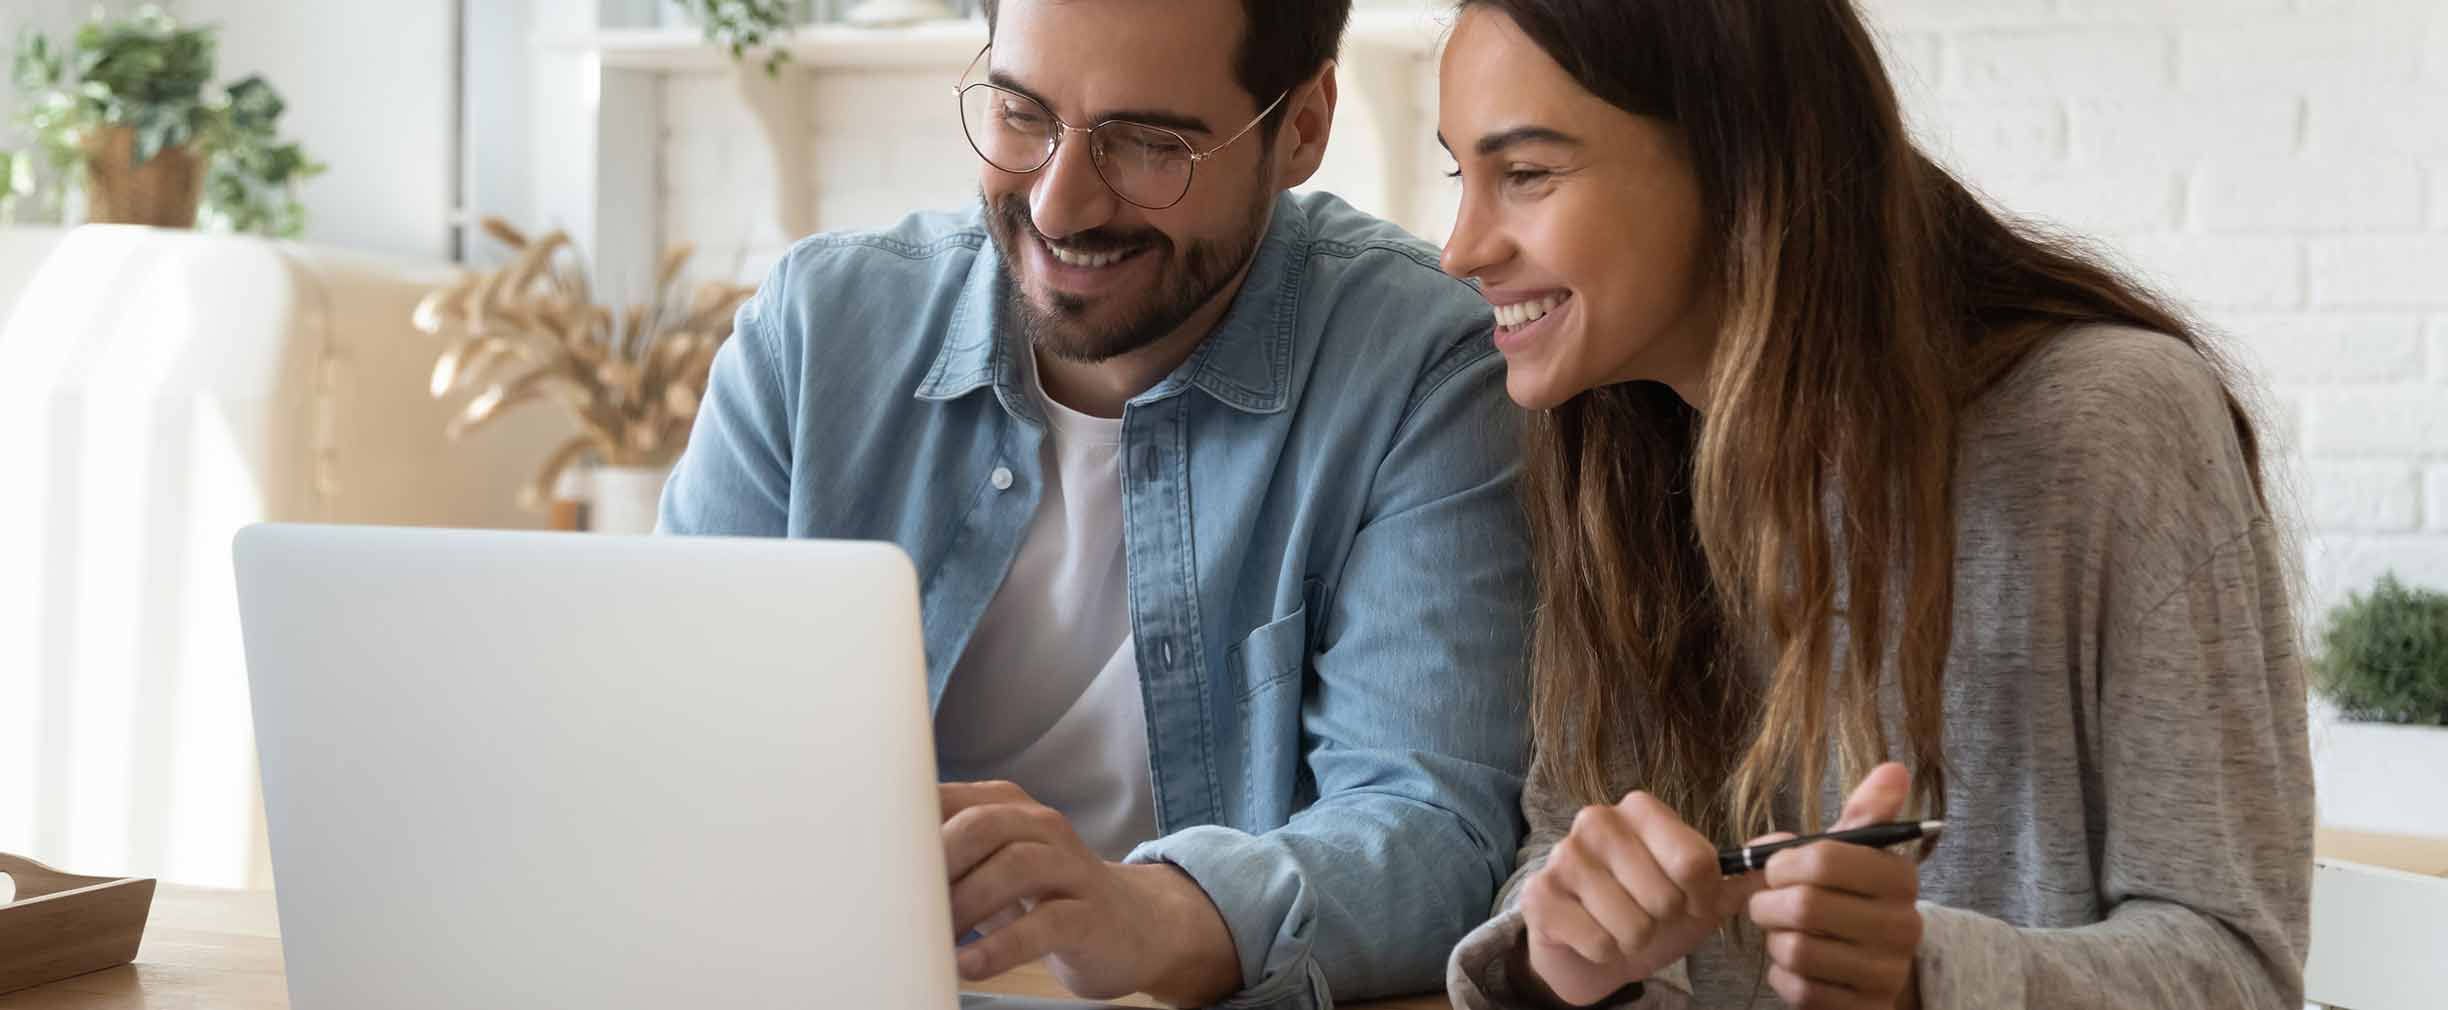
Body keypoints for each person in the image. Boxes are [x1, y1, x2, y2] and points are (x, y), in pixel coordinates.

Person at [1432, 2, 2313, 1008]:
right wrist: (1570, 961)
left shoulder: (2113, 425)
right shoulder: (1613, 455)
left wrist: (1926, 979)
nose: (1460, 248)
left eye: (1529, 174)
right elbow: (1566, 849)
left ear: (1739, 157)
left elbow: (2239, 967)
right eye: (1464, 173)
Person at [659, 1, 1532, 1006]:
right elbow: (664, 749)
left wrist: (1149, 912)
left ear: (1301, 126)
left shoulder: (1425, 366)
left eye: (1149, 143)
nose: (1061, 206)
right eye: (1022, 115)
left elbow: (1435, 834)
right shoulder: (814, 334)